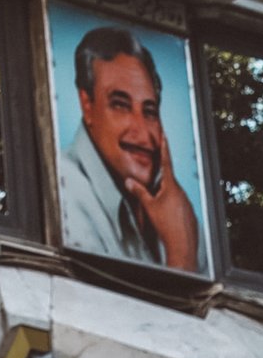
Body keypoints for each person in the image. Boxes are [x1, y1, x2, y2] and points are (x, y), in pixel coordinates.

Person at [60, 23, 203, 271]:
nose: (142, 132)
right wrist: (181, 255)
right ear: (87, 105)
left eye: (149, 111)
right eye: (120, 105)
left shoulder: (176, 211)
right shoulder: (64, 189)